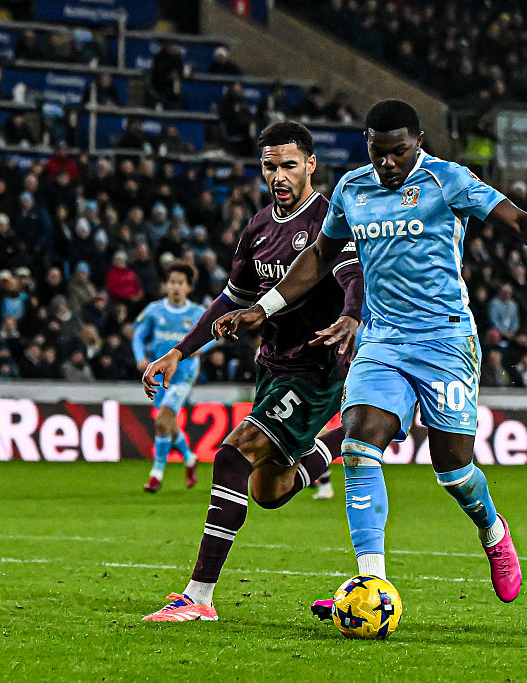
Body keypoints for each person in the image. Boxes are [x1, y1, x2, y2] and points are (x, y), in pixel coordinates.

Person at [215, 99, 527, 611]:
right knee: (358, 444)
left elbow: (516, 218)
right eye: (378, 153)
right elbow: (319, 258)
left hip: (445, 340)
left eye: (397, 153)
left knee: (453, 470)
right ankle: (369, 583)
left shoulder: (449, 181)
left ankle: (492, 530)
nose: (387, 164)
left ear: (418, 142)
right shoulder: (353, 189)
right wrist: (265, 307)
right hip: (382, 342)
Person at [140, 121, 363, 621]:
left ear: (310, 164)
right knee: (269, 490)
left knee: (232, 454)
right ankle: (343, 441)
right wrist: (179, 352)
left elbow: (353, 275)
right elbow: (231, 300)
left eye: (288, 165)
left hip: (315, 369)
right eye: (269, 166)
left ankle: (198, 598)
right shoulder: (260, 225)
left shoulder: (330, 219)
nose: (278, 175)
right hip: (273, 365)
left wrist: (350, 314)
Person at [132, 263, 212, 493]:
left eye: (180, 283)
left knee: (161, 421)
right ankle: (189, 458)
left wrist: (202, 349)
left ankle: (156, 475)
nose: (175, 287)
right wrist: (140, 357)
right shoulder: (155, 311)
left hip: (184, 375)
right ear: (166, 285)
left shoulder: (197, 313)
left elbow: (215, 333)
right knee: (169, 423)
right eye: (172, 282)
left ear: (188, 287)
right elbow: (138, 335)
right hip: (159, 374)